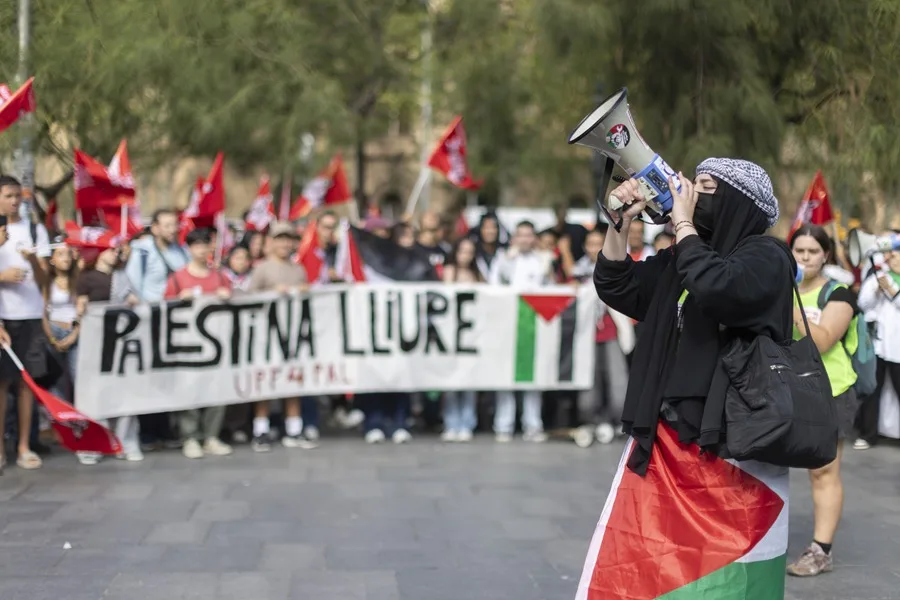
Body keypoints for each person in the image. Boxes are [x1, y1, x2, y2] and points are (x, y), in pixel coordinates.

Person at [578, 159, 793, 599]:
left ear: (736, 201)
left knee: (724, 573)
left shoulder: (767, 256)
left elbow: (718, 288)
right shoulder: (684, 256)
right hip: (668, 432)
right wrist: (620, 224)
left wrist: (681, 222)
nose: (691, 192)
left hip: (730, 440)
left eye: (706, 186)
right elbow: (618, 285)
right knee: (650, 559)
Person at [786, 224, 859, 577]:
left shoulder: (838, 293)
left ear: (825, 255)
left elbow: (823, 340)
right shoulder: (779, 288)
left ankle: (821, 550)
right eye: (799, 251)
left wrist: (788, 301)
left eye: (812, 251)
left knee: (823, 470)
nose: (805, 258)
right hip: (785, 388)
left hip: (831, 390)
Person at [163, 229, 234, 460]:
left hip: (217, 346)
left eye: (206, 245)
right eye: (197, 245)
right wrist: (177, 300)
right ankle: (190, 436)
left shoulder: (220, 277)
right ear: (190, 249)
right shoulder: (177, 278)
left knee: (217, 389)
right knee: (189, 390)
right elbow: (162, 310)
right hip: (187, 346)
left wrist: (228, 296)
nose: (202, 250)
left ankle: (211, 435)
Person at [247, 223, 317, 452]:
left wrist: (304, 291)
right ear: (272, 242)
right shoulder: (262, 269)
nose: (285, 244)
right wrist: (271, 293)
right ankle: (260, 430)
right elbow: (249, 297)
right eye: (280, 239)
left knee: (293, 380)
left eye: (288, 239)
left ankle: (294, 429)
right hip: (267, 336)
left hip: (293, 336)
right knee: (265, 382)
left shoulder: (298, 270)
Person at [74, 232, 143, 463]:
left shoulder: (122, 276)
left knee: (126, 391)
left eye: (117, 250)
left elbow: (134, 300)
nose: (115, 254)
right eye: (111, 250)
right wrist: (81, 307)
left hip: (121, 343)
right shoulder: (86, 278)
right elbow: (80, 303)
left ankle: (125, 441)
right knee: (95, 392)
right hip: (96, 343)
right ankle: (94, 443)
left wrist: (133, 300)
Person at [125, 208, 188, 449]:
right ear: (155, 228)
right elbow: (133, 284)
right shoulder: (142, 251)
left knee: (169, 375)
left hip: (175, 320)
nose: (173, 229)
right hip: (149, 321)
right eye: (167, 225)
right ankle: (148, 430)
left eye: (175, 224)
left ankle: (165, 428)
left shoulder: (181, 252)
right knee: (149, 376)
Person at [0, 175, 51, 471]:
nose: (14, 201)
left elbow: (44, 279)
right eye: (8, 195)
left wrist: (33, 261)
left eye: (18, 196)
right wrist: (3, 276)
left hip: (30, 315)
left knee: (26, 383)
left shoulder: (35, 229)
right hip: (4, 317)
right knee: (1, 383)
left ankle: (23, 446)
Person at [489, 220, 554, 442]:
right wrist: (507, 262)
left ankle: (532, 424)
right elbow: (494, 286)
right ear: (514, 238)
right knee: (505, 375)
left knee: (533, 376)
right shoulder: (502, 259)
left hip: (532, 324)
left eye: (528, 235)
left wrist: (548, 269)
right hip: (507, 324)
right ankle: (503, 425)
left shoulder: (541, 260)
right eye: (521, 235)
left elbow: (550, 290)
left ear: (533, 238)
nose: (524, 239)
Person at [572, 228, 629, 444]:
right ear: (585, 246)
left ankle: (618, 419)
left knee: (617, 378)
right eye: (591, 244)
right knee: (588, 378)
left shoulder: (614, 265)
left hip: (611, 330)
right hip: (586, 334)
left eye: (599, 243)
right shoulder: (577, 272)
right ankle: (590, 419)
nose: (594, 248)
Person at [855, 247, 900, 450]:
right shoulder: (878, 276)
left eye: (897, 255)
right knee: (872, 388)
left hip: (897, 347)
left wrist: (891, 290)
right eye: (891, 255)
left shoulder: (890, 282)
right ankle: (868, 434)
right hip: (877, 344)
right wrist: (876, 291)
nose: (893, 258)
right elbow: (863, 303)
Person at [441, 237, 482, 442]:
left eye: (470, 252)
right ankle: (451, 422)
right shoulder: (450, 271)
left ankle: (467, 422)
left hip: (471, 335)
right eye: (462, 251)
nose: (466, 256)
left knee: (469, 380)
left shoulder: (477, 274)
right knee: (451, 381)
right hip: (451, 333)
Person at [41, 245, 79, 403]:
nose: (66, 258)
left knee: (78, 376)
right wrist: (51, 338)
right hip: (53, 331)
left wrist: (74, 334)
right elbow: (43, 313)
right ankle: (59, 413)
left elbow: (84, 311)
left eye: (69, 254)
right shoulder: (47, 282)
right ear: (52, 259)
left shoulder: (78, 279)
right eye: (61, 254)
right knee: (57, 378)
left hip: (74, 331)